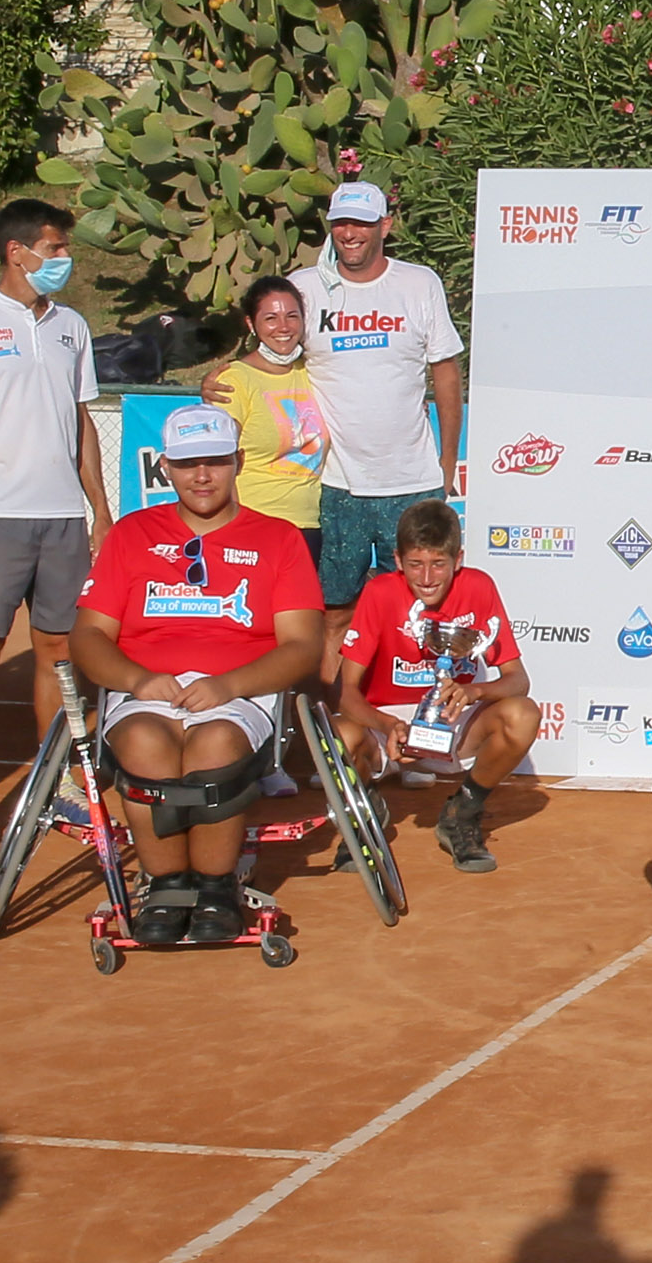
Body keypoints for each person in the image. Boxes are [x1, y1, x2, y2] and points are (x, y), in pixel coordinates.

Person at [69, 404, 326, 949]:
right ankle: (165, 885)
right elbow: (87, 636)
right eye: (188, 464)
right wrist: (138, 680)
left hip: (239, 690)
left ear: (237, 462)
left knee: (215, 744)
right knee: (143, 740)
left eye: (215, 461)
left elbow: (303, 646)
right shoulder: (131, 534)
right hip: (146, 686)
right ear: (166, 467)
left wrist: (229, 685)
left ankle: (215, 887)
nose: (202, 476)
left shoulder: (278, 540)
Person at [0, 196, 110, 851]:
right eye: (56, 248)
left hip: (62, 519)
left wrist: (101, 511)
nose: (64, 259)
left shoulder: (71, 327)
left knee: (61, 659)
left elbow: (82, 422)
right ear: (18, 252)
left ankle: (61, 783)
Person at [335, 500, 544, 873]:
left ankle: (461, 813)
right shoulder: (380, 592)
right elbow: (347, 692)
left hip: (452, 719)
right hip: (385, 723)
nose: (427, 577)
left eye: (438, 564)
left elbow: (519, 680)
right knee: (339, 734)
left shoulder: (479, 587)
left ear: (458, 559)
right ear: (397, 561)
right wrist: (386, 726)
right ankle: (364, 815)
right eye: (416, 564)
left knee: (523, 715)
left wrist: (475, 692)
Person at [295, 179, 467, 612]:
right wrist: (224, 374)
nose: (349, 234)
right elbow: (271, 350)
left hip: (413, 483)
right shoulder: (303, 287)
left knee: (417, 609)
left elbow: (446, 375)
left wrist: (447, 462)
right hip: (336, 484)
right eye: (340, 224)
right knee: (332, 610)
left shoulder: (419, 283)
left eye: (362, 223)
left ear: (385, 226)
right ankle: (334, 684)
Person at [200, 273, 329, 544]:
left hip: (309, 524)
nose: (283, 327)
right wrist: (232, 528)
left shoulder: (314, 371)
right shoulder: (234, 380)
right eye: (271, 318)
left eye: (292, 316)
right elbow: (219, 457)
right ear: (251, 324)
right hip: (254, 524)